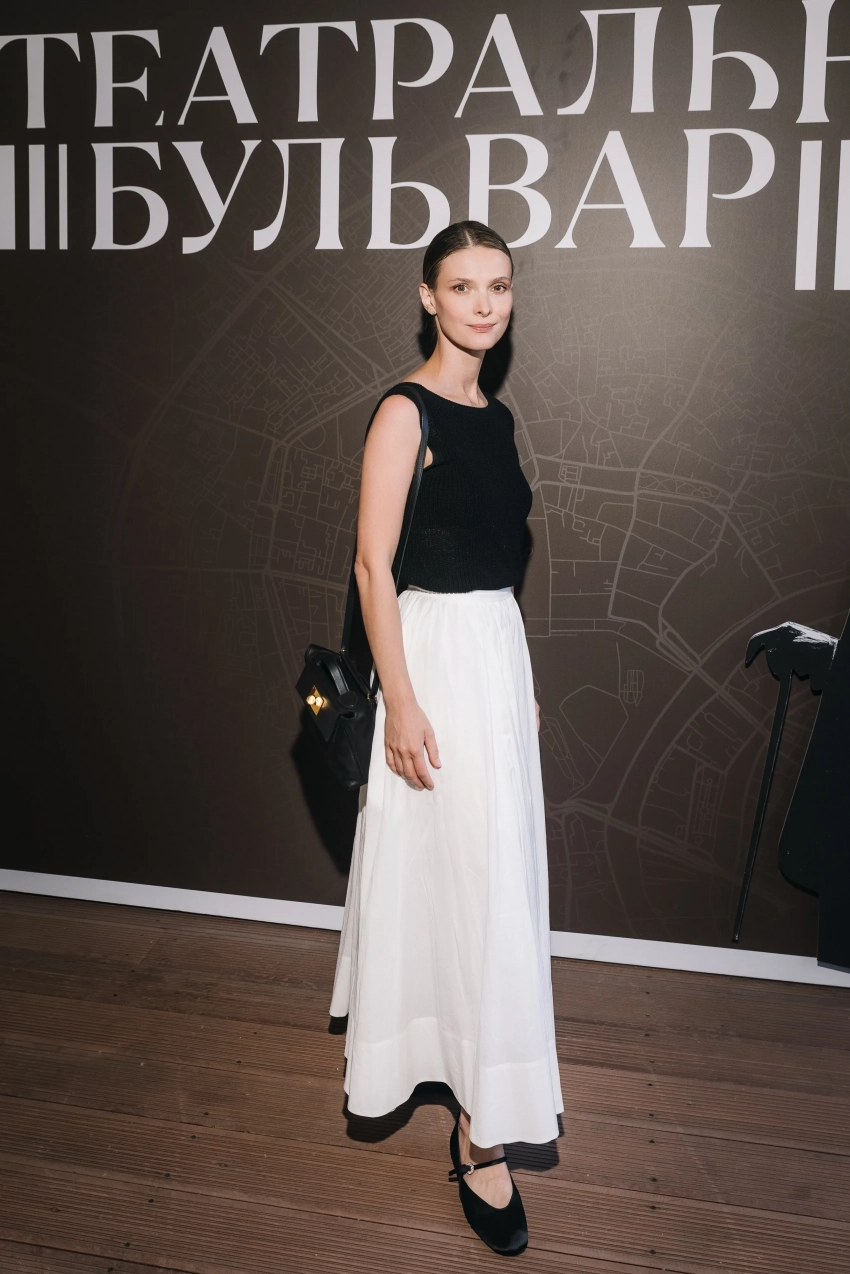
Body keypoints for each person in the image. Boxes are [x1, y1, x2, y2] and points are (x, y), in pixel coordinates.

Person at [329, 221, 563, 1257]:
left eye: (498, 286)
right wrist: (404, 701)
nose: (483, 304)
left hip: (492, 662)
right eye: (462, 286)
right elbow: (372, 568)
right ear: (428, 296)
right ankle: (475, 1133)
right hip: (427, 664)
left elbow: (499, 567)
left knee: (494, 887)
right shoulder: (404, 411)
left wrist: (521, 684)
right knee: (446, 884)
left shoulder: (495, 416)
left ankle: (483, 1116)